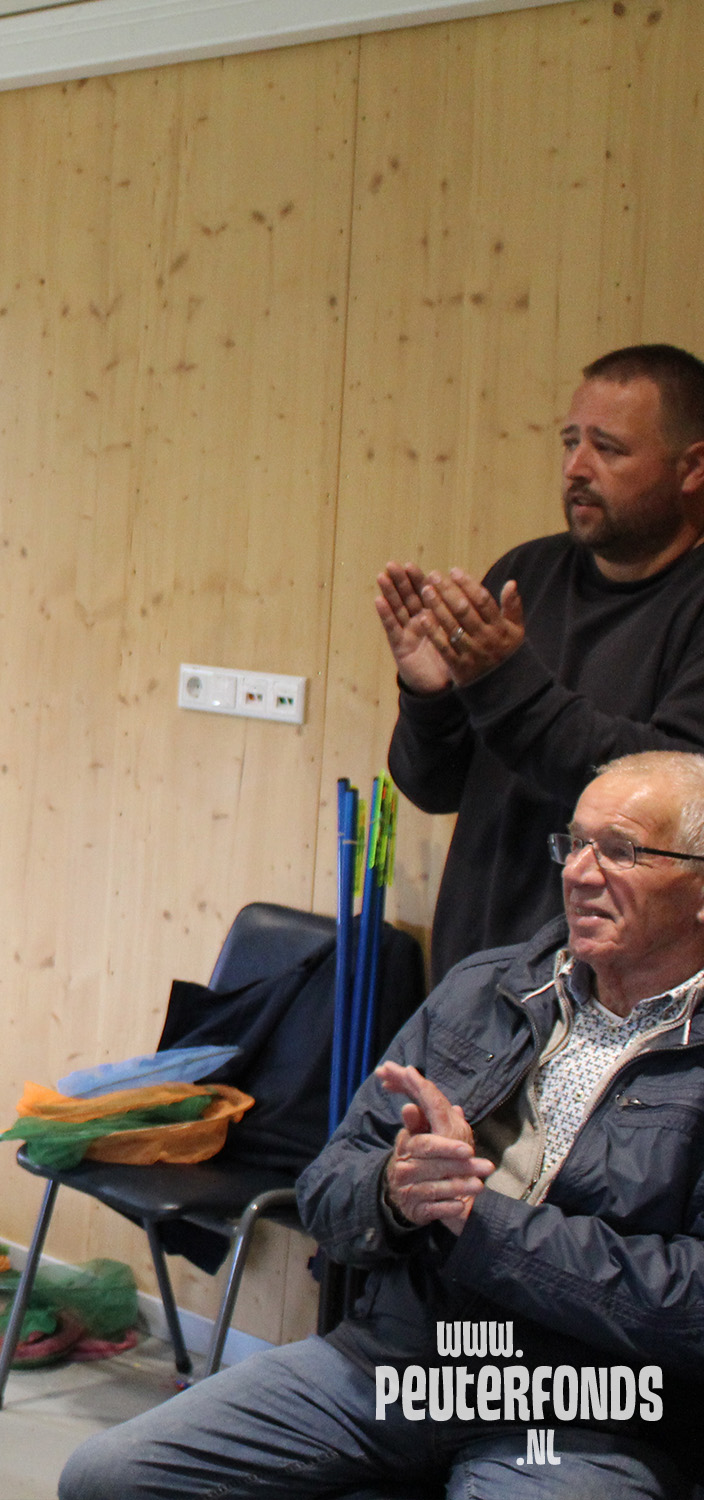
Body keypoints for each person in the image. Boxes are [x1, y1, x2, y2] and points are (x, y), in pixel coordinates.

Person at [60, 750, 704, 1499]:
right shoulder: (486, 988)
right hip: (395, 1363)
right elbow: (328, 1188)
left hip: (585, 1411)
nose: (580, 873)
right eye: (576, 843)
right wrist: (395, 1193)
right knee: (107, 1478)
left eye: (621, 850)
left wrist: (482, 1224)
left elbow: (691, 1303)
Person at [379, 344, 704, 981]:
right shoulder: (525, 572)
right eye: (570, 441)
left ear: (692, 467)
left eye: (609, 449)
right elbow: (432, 786)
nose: (576, 468)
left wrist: (506, 684)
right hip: (477, 971)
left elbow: (669, 799)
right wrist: (429, 699)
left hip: (618, 990)